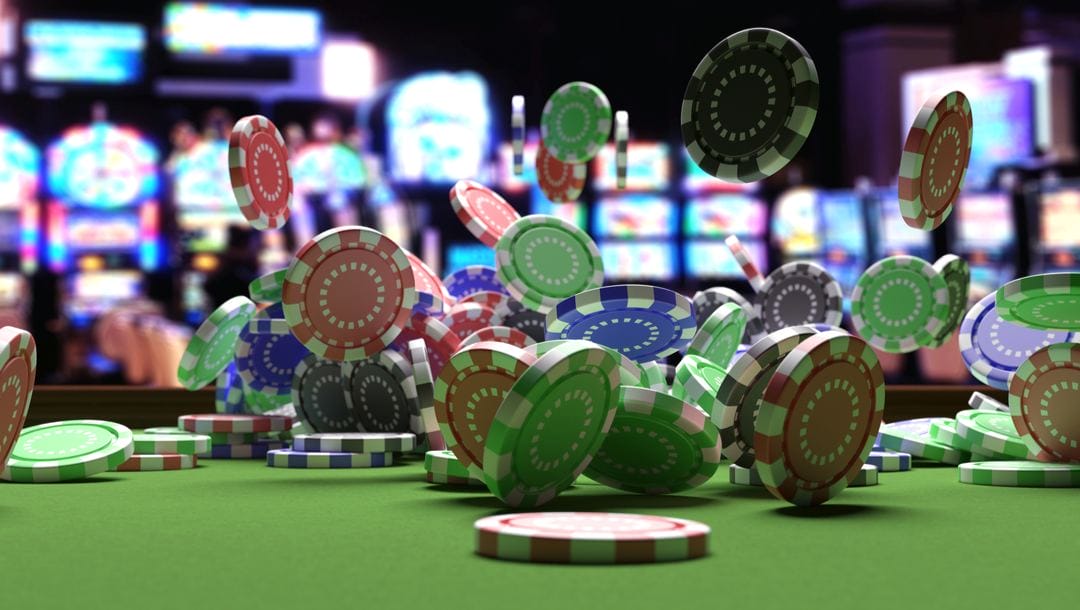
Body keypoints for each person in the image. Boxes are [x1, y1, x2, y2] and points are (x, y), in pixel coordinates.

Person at [202, 226, 259, 310]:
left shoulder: (225, 262)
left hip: (223, 315)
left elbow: (208, 286)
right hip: (237, 314)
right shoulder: (241, 266)